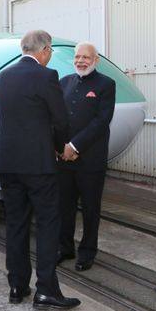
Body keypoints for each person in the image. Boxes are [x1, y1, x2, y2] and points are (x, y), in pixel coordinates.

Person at [0, 30, 81, 310]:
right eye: (51, 51)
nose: (51, 56)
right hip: (38, 165)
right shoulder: (47, 76)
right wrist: (59, 146)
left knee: (16, 224)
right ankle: (46, 290)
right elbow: (60, 120)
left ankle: (17, 286)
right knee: (47, 225)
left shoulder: (2, 76)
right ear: (43, 50)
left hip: (8, 162)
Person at [56, 42, 115, 272]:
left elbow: (101, 121)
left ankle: (87, 252)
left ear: (95, 60)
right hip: (63, 158)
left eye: (86, 57)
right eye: (77, 57)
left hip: (90, 160)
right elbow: (57, 117)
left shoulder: (106, 85)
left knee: (90, 209)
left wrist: (74, 145)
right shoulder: (64, 82)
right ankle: (64, 247)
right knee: (64, 206)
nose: (81, 61)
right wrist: (59, 145)